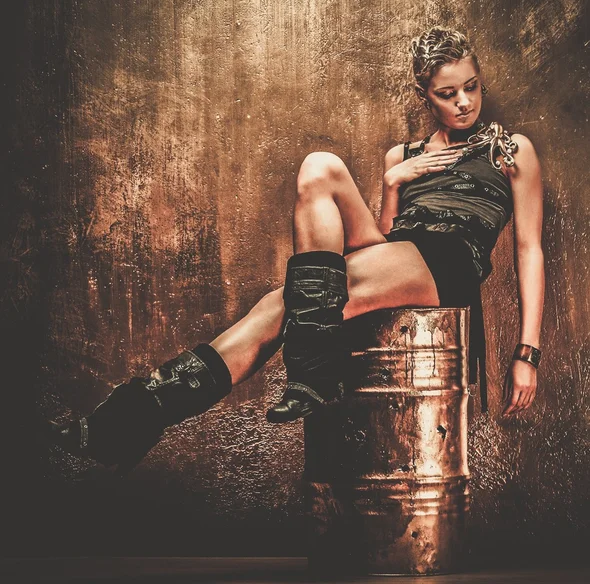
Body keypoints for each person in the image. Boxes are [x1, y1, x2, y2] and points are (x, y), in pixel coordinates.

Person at [48, 26, 544, 474]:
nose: (463, 102)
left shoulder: (510, 149)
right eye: (447, 93)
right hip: (399, 256)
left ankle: (130, 419)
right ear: (425, 96)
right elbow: (390, 236)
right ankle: (152, 416)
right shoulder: (404, 156)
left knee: (279, 306)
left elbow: (528, 249)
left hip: (449, 263)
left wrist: (527, 353)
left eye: (471, 86)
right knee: (318, 169)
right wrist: (393, 182)